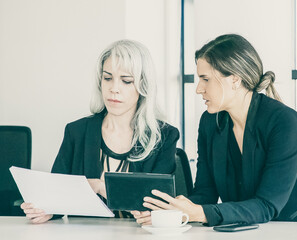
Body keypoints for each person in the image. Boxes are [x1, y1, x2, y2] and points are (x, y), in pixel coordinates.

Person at [132, 34, 297, 226]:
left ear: (235, 79)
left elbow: (267, 205)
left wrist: (198, 213)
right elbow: (205, 194)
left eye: (205, 79)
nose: (198, 88)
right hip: (252, 230)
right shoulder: (210, 122)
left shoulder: (284, 122)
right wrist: (168, 213)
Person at [21, 39, 179, 224]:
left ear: (144, 86)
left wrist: (101, 187)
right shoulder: (77, 131)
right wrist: (45, 210)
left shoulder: (164, 136)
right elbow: (58, 196)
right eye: (107, 78)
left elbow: (158, 205)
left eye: (126, 81)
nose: (114, 89)